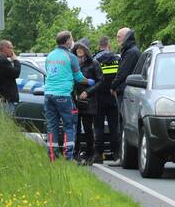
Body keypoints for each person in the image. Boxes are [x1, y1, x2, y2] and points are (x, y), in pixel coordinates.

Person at [44, 31, 91, 161]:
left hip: (48, 95)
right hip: (63, 95)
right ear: (67, 42)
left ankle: (52, 156)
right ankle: (68, 156)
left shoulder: (50, 56)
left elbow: (49, 72)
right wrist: (90, 81)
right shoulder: (71, 57)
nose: (73, 42)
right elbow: (79, 77)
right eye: (72, 39)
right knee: (68, 125)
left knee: (52, 125)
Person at [109, 27, 140, 166]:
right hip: (125, 90)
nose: (117, 39)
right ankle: (124, 157)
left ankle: (124, 157)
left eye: (119, 36)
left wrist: (113, 85)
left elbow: (123, 72)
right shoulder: (129, 51)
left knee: (123, 124)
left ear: (126, 37)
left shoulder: (131, 52)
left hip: (125, 91)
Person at [72, 39, 103, 164]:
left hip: (89, 100)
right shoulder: (73, 63)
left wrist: (88, 92)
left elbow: (101, 81)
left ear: (86, 50)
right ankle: (76, 154)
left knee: (88, 128)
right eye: (77, 48)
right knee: (76, 128)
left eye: (82, 48)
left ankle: (90, 154)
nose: (79, 50)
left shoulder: (93, 63)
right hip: (75, 99)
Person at [93, 35, 120, 163]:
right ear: (109, 46)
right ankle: (116, 154)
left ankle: (98, 154)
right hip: (113, 97)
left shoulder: (95, 60)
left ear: (99, 46)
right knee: (114, 127)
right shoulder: (117, 59)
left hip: (98, 98)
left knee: (98, 127)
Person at [0, 39, 21, 114]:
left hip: (3, 98)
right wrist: (15, 60)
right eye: (11, 48)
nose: (12, 51)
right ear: (4, 48)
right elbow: (16, 73)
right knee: (7, 120)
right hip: (5, 99)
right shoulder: (2, 61)